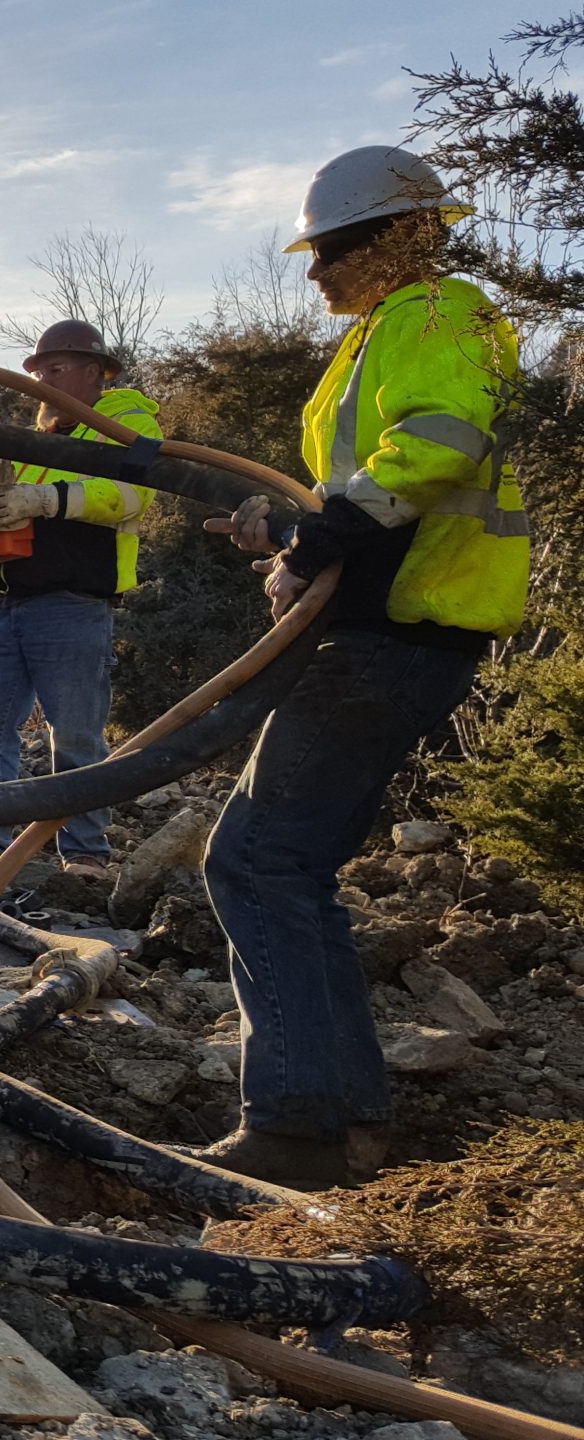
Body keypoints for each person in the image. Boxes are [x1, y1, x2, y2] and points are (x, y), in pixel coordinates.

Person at [192, 145, 527, 1189]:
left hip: (402, 631)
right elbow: (365, 479)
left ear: (395, 238)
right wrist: (289, 529)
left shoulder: (436, 315)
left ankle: (297, 1125)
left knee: (252, 860)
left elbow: (431, 446)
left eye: (330, 249)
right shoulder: (383, 336)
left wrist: (326, 535)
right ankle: (344, 1118)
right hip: (382, 627)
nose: (314, 272)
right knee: (288, 866)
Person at [0, 320, 161, 882]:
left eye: (57, 368)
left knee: (73, 734)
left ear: (96, 373)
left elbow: (131, 495)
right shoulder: (31, 439)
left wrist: (44, 499)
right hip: (2, 605)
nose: (43, 380)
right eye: (38, 371)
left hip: (72, 603)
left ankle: (87, 855)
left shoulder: (123, 423)